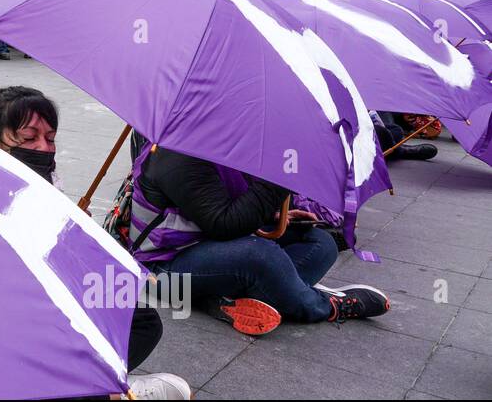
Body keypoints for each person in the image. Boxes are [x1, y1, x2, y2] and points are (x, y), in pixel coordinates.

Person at [0, 87, 192, 400]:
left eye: (50, 138)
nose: (43, 147)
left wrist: (69, 225)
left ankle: (93, 384)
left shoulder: (45, 181)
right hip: (15, 317)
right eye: (28, 138)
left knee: (141, 322)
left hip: (56, 298)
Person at [129, 137, 390, 336]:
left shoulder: (225, 141)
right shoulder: (177, 153)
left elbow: (230, 207)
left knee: (320, 243)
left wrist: (275, 216)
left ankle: (229, 298)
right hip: (162, 268)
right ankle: (322, 305)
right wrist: (282, 178)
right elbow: (223, 223)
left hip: (210, 245)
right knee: (260, 255)